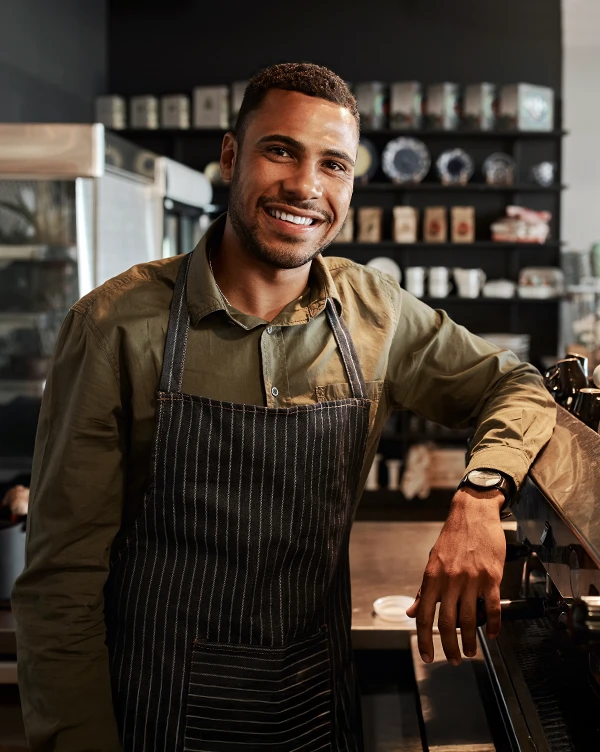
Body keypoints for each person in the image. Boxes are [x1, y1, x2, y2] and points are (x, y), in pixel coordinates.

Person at [12, 62, 556, 752]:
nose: (306, 186)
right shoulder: (116, 325)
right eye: (281, 151)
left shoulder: (374, 314)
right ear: (231, 156)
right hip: (153, 708)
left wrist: (480, 498)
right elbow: (60, 582)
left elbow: (516, 384)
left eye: (334, 164)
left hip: (313, 706)